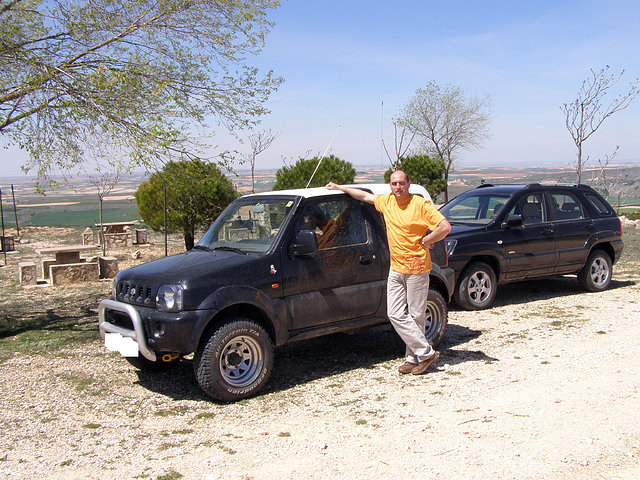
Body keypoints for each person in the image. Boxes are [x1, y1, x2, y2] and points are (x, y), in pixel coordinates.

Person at [326, 171, 451, 375]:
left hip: (417, 267)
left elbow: (445, 227)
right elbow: (365, 197)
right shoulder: (387, 202)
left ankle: (415, 358)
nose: (398, 187)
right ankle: (425, 353)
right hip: (397, 268)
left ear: (409, 184)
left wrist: (428, 240)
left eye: (402, 183)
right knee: (394, 313)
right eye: (394, 183)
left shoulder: (420, 205)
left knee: (417, 315)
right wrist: (341, 188)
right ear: (390, 186)